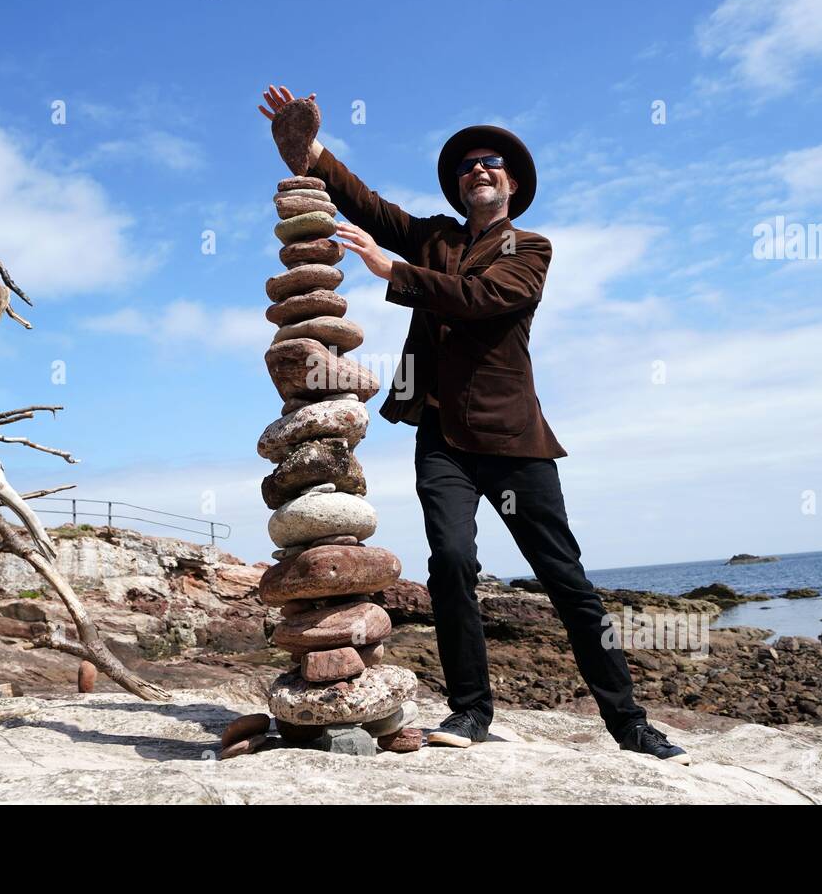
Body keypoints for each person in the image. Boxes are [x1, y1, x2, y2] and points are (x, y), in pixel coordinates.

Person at [260, 85, 689, 764]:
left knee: (566, 580)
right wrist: (311, 152)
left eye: (491, 163)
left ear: (511, 183)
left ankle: (630, 722)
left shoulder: (532, 248)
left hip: (514, 439)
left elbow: (485, 300)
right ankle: (470, 709)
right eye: (467, 166)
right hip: (442, 440)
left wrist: (393, 272)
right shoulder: (433, 237)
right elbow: (370, 206)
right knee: (452, 563)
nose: (478, 170)